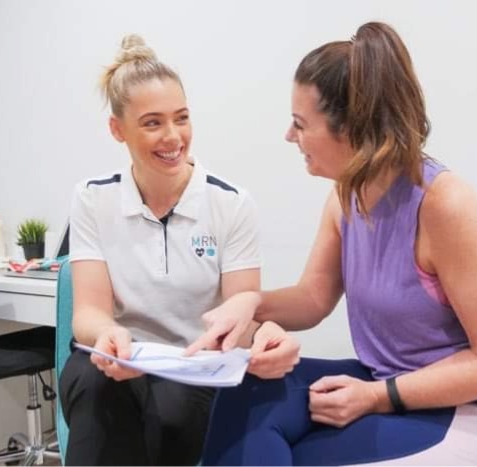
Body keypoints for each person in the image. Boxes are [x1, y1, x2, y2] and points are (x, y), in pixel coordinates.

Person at [189, 21, 477, 465]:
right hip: (383, 382)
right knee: (246, 392)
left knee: (303, 455)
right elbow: (313, 299)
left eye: (299, 124)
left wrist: (378, 396)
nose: (289, 136)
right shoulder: (346, 196)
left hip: (470, 414)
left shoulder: (445, 205)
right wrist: (250, 304)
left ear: (351, 128)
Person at [59, 34, 299, 466]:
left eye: (182, 118)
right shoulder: (93, 198)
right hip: (122, 360)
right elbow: (88, 314)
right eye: (152, 123)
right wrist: (109, 337)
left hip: (197, 367)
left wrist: (263, 335)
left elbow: (241, 312)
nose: (173, 137)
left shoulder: (230, 203)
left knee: (170, 409)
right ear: (118, 129)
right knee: (93, 383)